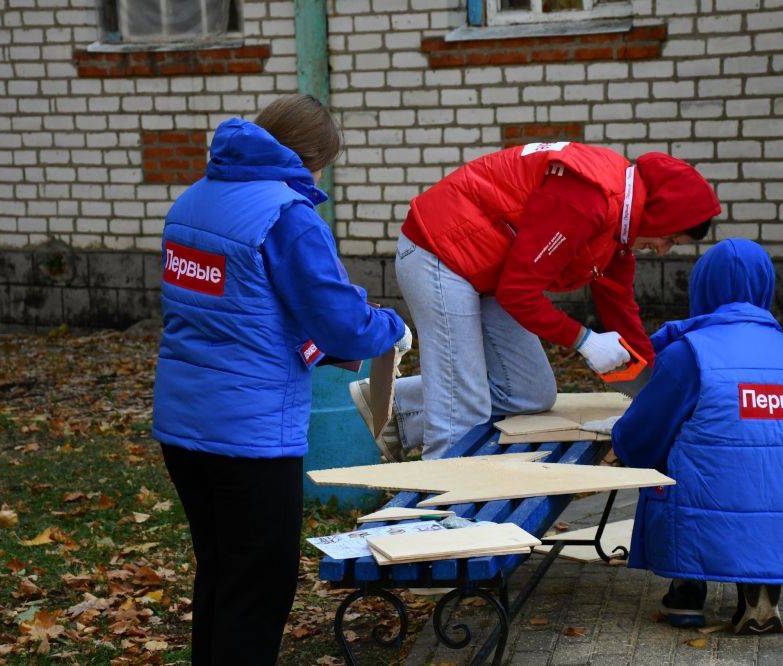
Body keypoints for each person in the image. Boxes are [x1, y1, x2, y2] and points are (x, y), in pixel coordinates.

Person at [152, 95, 409, 664]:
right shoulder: (288, 217)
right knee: (259, 592)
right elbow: (340, 325)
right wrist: (388, 328)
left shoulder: (192, 202)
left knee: (220, 574)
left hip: (183, 429)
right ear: (309, 158)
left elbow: (243, 309)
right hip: (250, 438)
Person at [351, 142, 720, 461]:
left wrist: (653, 389)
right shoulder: (588, 199)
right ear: (660, 214)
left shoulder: (618, 226)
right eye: (670, 239)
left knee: (529, 393)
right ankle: (445, 516)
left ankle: (394, 406)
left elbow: (621, 311)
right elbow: (519, 293)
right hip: (441, 251)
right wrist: (584, 340)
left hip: (490, 270)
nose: (663, 250)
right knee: (466, 408)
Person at [609, 239, 783, 634]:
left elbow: (639, 438)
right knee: (769, 460)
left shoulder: (691, 354)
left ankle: (686, 590)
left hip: (709, 512)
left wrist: (623, 444)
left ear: (702, 289)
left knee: (672, 457)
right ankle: (762, 589)